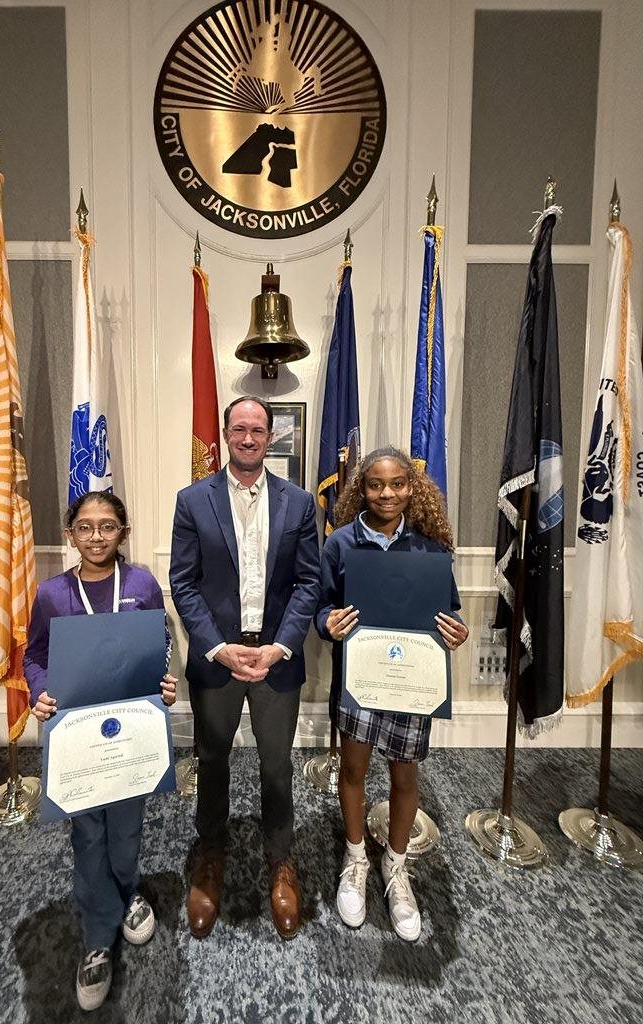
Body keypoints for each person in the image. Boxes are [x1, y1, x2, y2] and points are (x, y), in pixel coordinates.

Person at [169, 396, 320, 940]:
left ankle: (281, 860)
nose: (250, 438)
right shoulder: (193, 500)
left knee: (277, 765)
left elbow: (309, 583)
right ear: (227, 435)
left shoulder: (300, 503)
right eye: (240, 429)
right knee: (211, 760)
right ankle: (210, 857)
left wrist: (280, 646)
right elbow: (183, 583)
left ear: (271, 436)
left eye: (259, 429)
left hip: (276, 657)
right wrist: (216, 647)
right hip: (218, 659)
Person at [25, 491, 177, 1011]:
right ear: (71, 535)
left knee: (128, 822)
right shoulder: (51, 594)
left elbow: (159, 644)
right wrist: (38, 692)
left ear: (123, 531)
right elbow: (36, 656)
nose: (96, 536)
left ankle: (129, 888)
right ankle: (97, 936)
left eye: (107, 526)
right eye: (85, 527)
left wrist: (165, 681)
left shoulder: (141, 585)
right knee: (88, 828)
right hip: (77, 735)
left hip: (131, 728)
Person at [316, 447, 468, 941]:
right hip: (360, 681)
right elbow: (319, 609)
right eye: (377, 485)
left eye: (398, 484)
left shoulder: (430, 548)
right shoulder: (339, 544)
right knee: (354, 769)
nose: (387, 494)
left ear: (412, 487)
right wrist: (328, 624)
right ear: (362, 489)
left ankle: (396, 866)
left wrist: (457, 631)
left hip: (412, 685)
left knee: (405, 776)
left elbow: (451, 611)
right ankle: (357, 856)